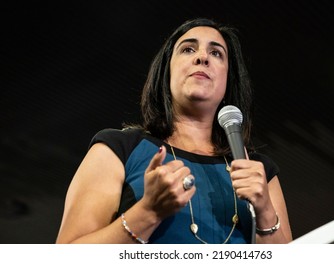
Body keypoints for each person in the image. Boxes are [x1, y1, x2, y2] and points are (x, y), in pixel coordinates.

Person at [56, 18, 292, 244]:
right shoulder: (119, 149)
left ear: (228, 79)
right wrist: (148, 212)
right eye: (188, 50)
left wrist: (265, 211)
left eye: (216, 53)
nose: (202, 57)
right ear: (166, 71)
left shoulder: (258, 169)